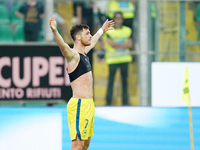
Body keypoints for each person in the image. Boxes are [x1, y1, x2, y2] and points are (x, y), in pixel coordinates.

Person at [49, 16, 114, 150]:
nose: (90, 36)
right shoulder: (73, 56)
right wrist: (55, 31)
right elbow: (63, 46)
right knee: (77, 145)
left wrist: (102, 30)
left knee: (85, 145)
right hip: (79, 104)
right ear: (78, 37)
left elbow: (94, 41)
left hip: (89, 104)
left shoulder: (83, 54)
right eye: (87, 34)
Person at [103, 12, 133, 106]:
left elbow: (130, 44)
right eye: (117, 18)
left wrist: (117, 45)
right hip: (112, 60)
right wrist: (124, 45)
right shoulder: (109, 30)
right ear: (114, 20)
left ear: (122, 20)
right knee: (111, 81)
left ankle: (125, 102)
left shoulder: (127, 30)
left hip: (124, 59)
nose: (118, 20)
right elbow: (111, 44)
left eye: (120, 18)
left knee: (124, 81)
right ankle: (108, 102)